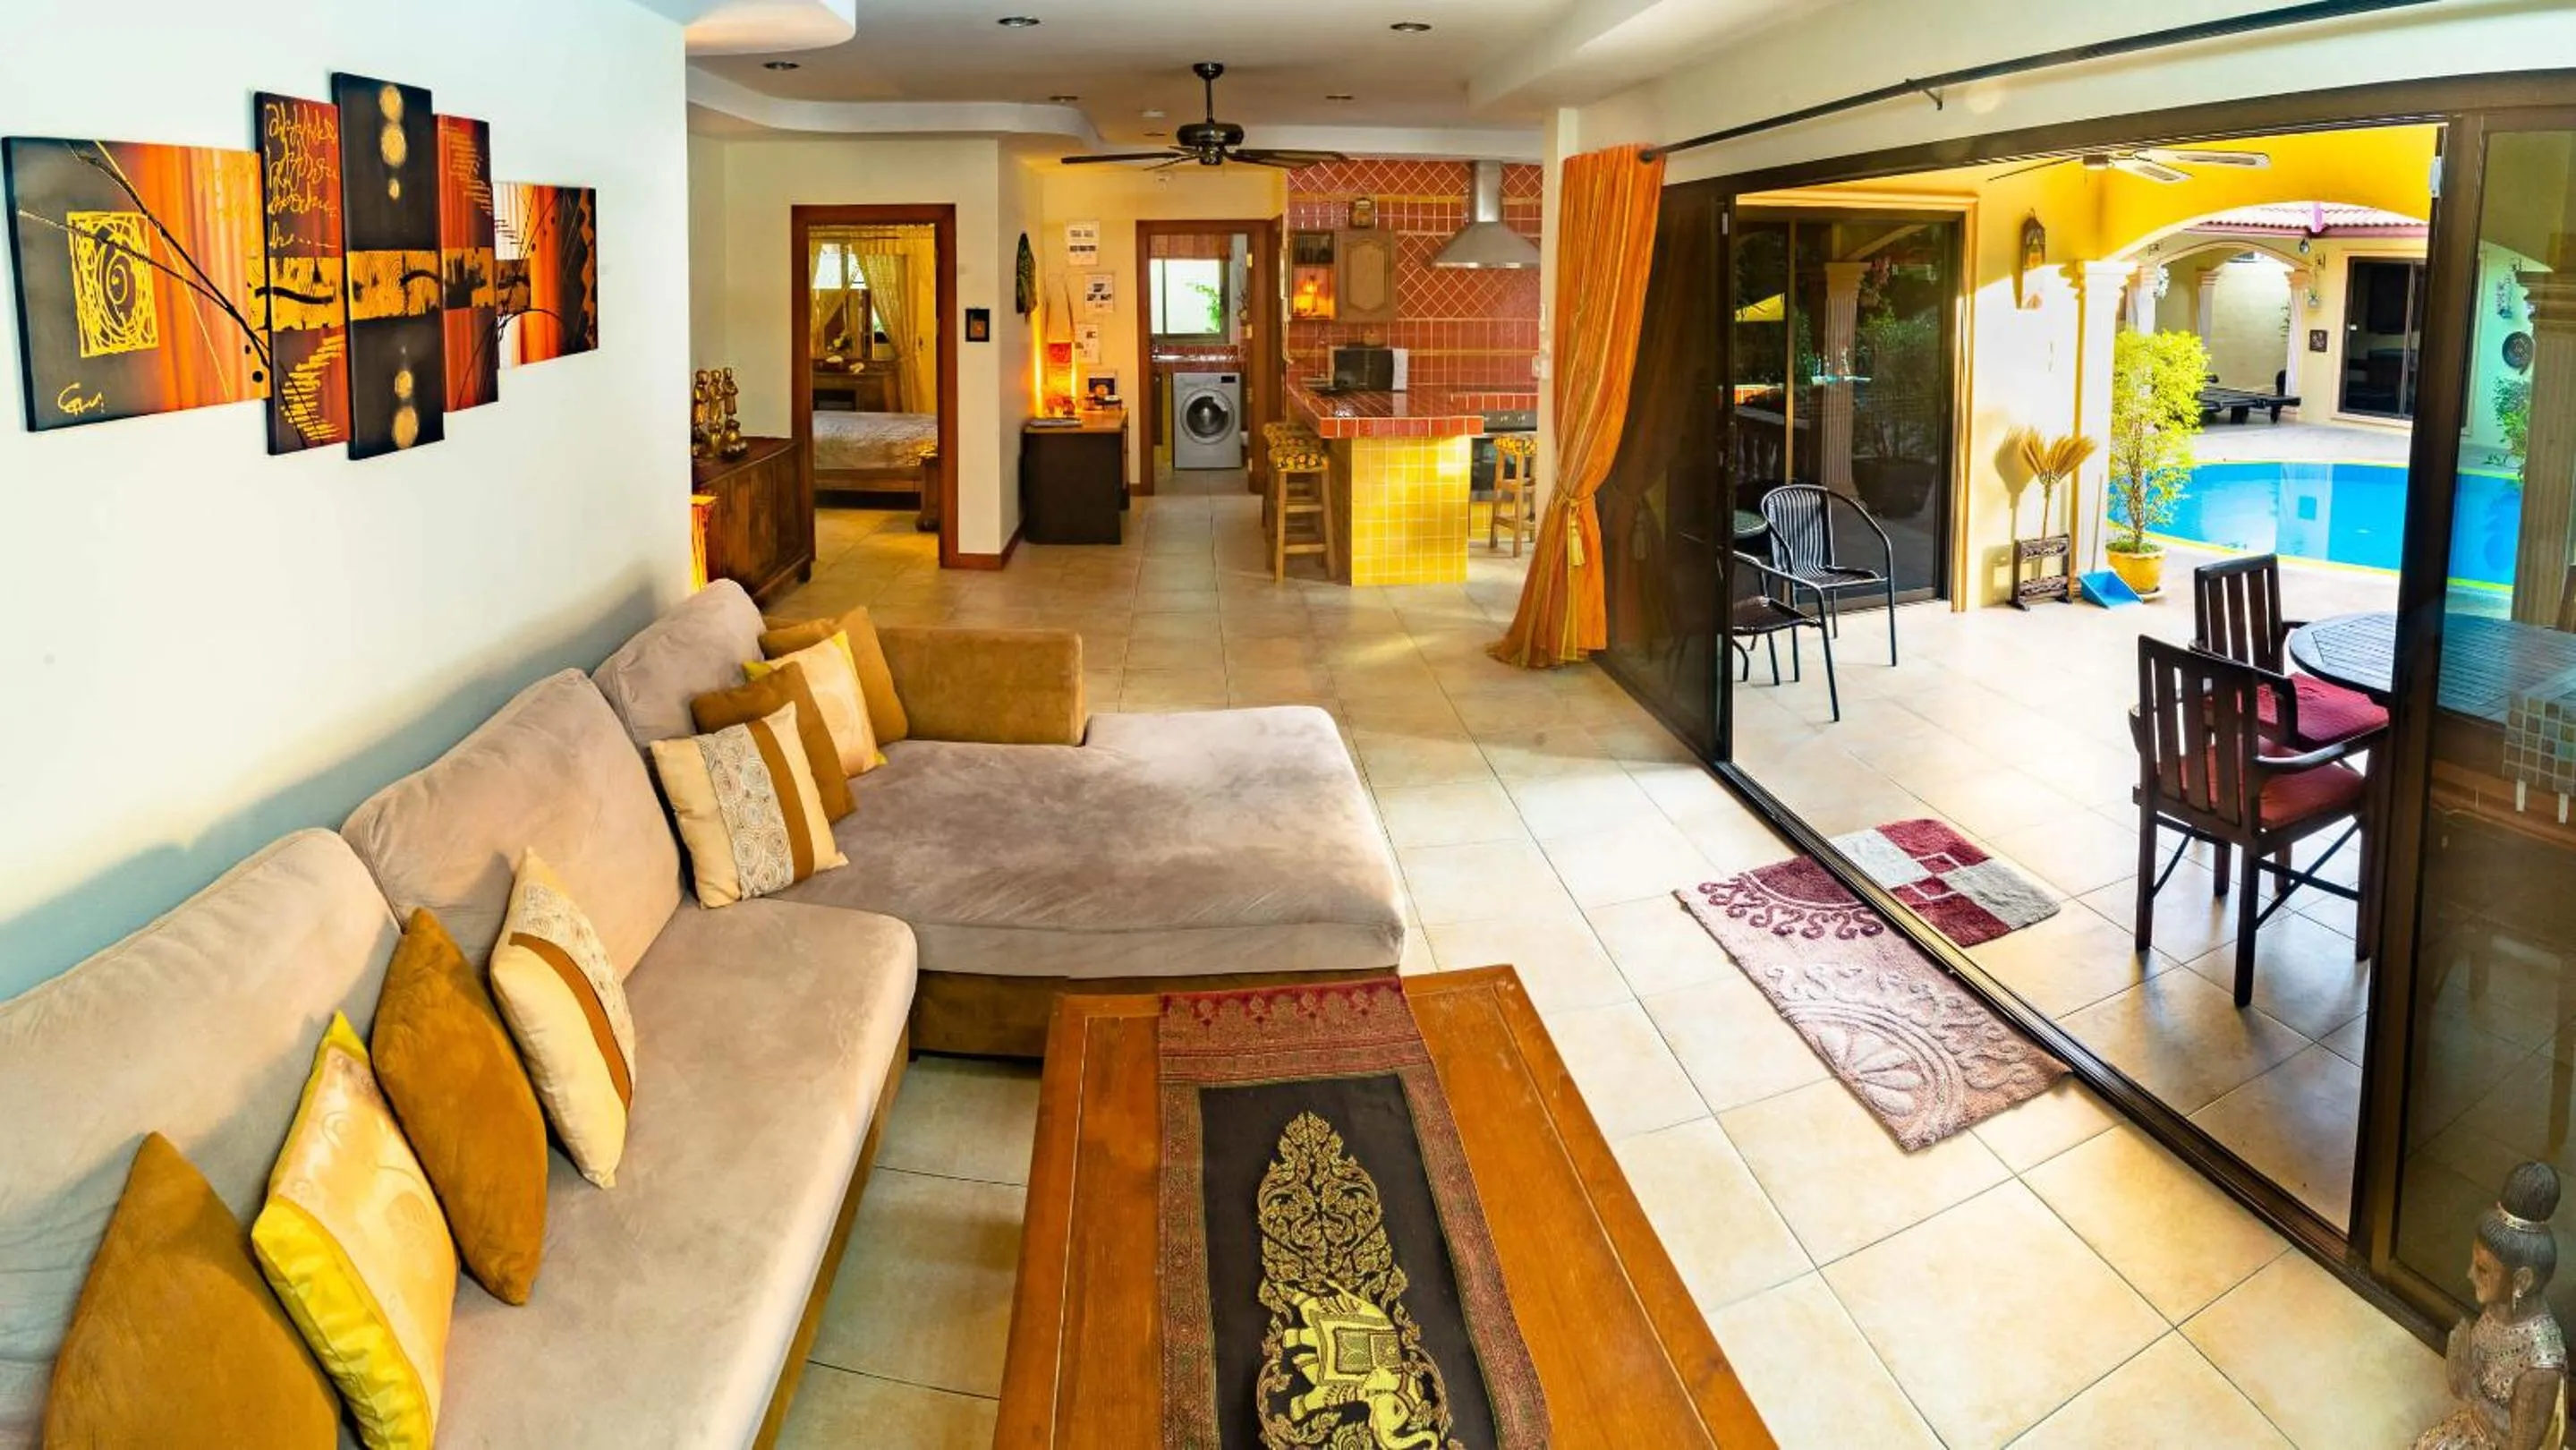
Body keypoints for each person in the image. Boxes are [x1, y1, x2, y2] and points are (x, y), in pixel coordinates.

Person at [2418, 1163, 2569, 1450]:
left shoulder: (2540, 1367)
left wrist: (2470, 1391)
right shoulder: (2501, 1307)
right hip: (2470, 1431)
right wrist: (2463, 1373)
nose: (2469, 1275)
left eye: (2483, 1269)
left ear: (2521, 1280)